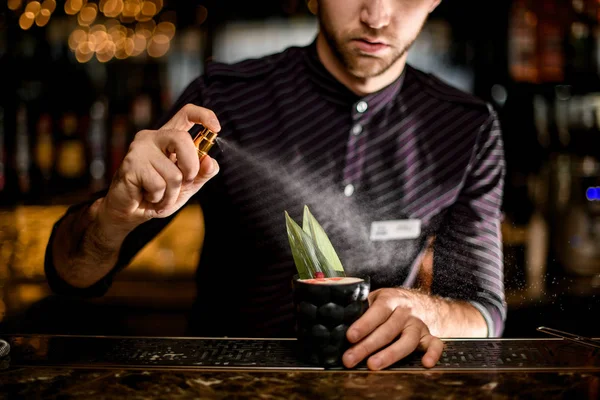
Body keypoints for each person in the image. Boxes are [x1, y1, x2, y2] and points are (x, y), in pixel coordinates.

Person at [44, 0, 506, 371]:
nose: (377, 16)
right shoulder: (222, 102)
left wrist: (429, 312)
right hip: (226, 385)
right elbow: (73, 276)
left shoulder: (466, 128)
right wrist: (111, 217)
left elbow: (485, 312)